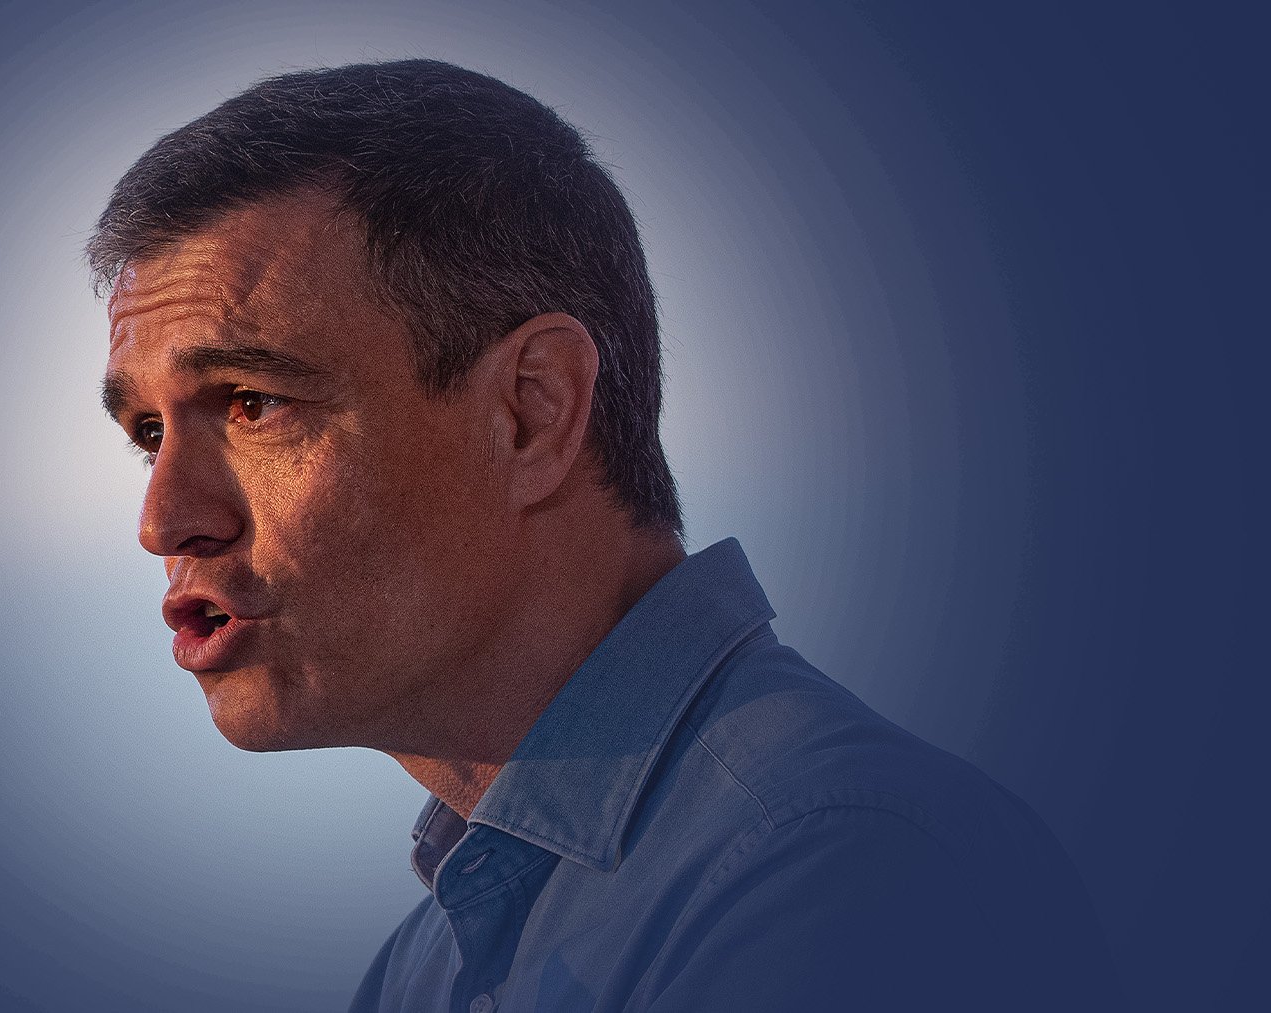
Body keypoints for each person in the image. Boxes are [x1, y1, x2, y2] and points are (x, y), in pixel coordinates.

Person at [90, 59, 1116, 1012]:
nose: (164, 519)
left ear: (532, 413)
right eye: (148, 433)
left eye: (253, 402)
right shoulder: (429, 960)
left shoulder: (847, 871)